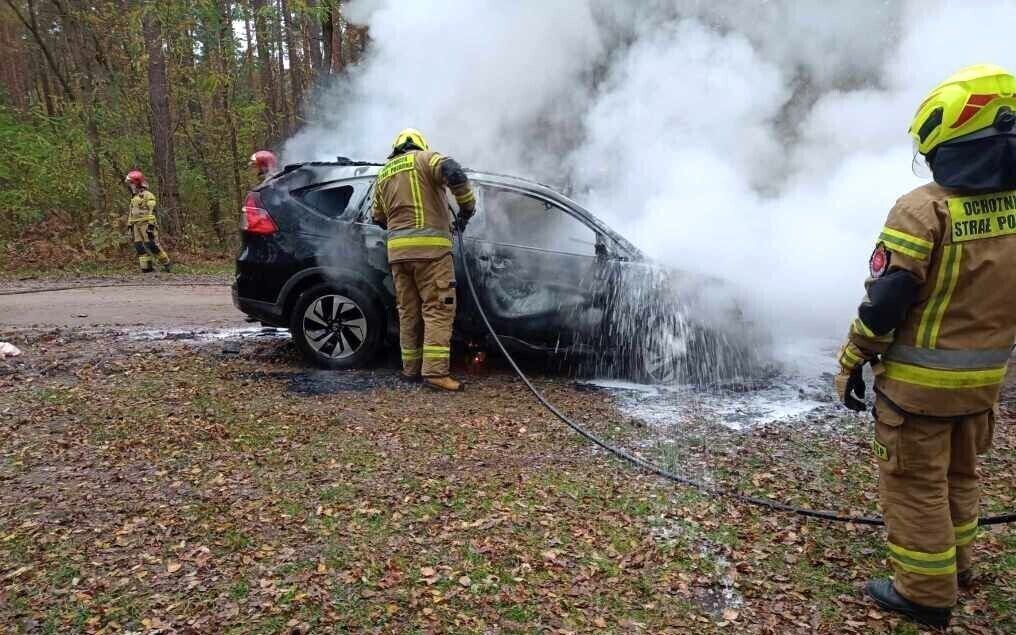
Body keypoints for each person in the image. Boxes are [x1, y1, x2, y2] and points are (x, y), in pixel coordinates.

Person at [834, 64, 1016, 629]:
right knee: (961, 476)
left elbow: (885, 304)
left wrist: (853, 357)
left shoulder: (923, 210)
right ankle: (958, 567)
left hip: (917, 393)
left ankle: (924, 592)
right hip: (983, 386)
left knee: (914, 487)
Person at [371, 128, 476, 391]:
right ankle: (436, 374)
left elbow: (378, 218)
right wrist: (466, 209)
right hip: (432, 253)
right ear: (419, 144)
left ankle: (410, 371)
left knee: (408, 313)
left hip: (398, 256)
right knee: (438, 310)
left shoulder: (384, 173)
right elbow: (453, 171)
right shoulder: (425, 159)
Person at [125, 170, 171, 273]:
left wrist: (150, 224)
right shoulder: (134, 198)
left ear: (137, 183)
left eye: (131, 183)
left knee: (151, 244)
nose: (130, 186)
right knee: (139, 246)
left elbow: (151, 210)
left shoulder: (147, 195)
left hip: (146, 223)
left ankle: (166, 263)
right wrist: (129, 224)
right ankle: (146, 268)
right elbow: (131, 212)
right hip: (136, 224)